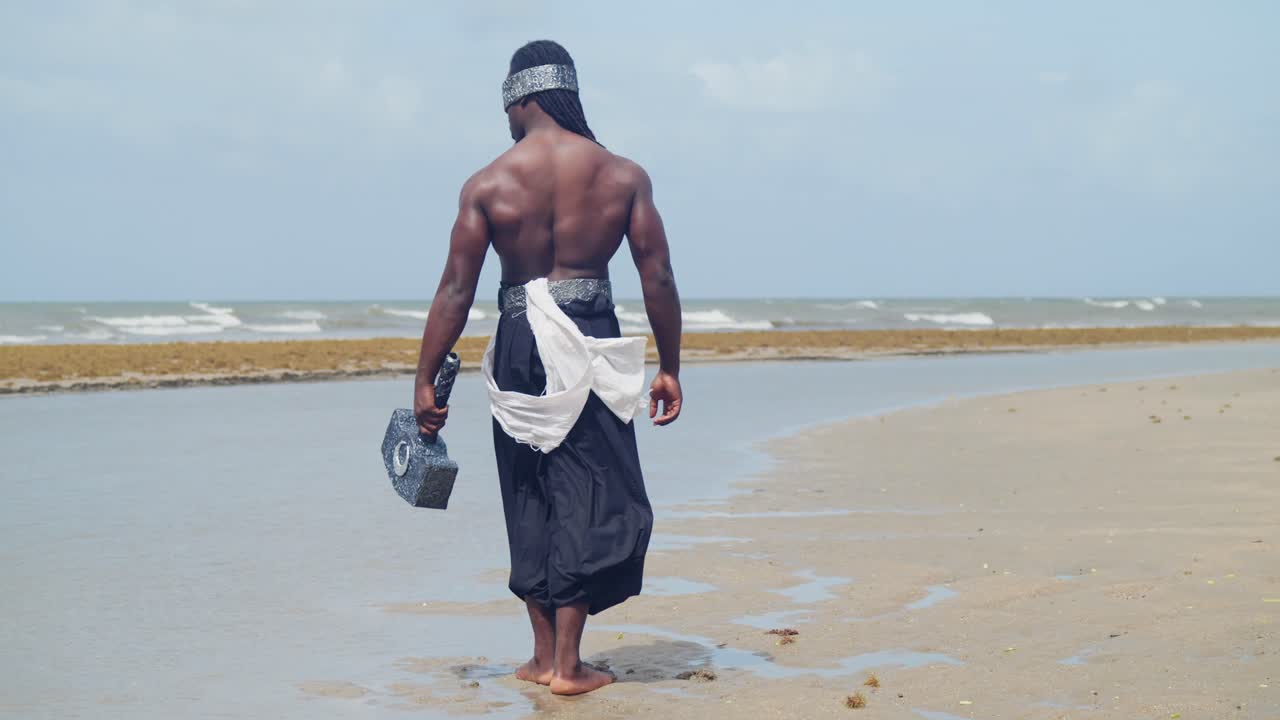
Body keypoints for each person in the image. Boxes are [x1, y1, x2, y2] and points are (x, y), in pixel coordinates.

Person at [411, 39, 683, 696]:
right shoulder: (622, 176)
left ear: (519, 98)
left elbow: (455, 290)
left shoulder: (488, 183)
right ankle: (566, 664)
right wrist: (669, 366)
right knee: (590, 489)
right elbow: (657, 277)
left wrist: (424, 377)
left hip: (519, 342)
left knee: (527, 486)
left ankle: (544, 658)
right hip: (590, 336)